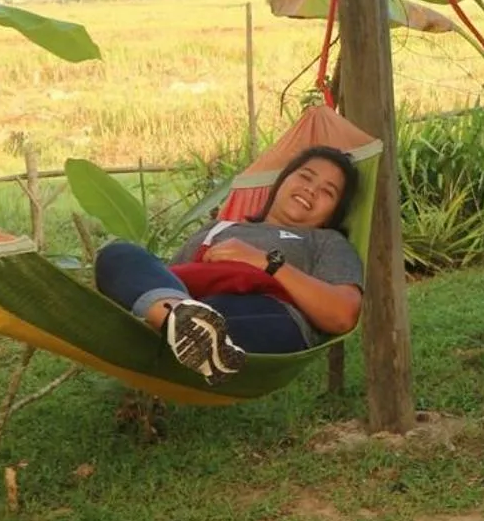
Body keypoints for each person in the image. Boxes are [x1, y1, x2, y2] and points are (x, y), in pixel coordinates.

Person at [95, 146, 365, 381]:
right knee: (118, 253)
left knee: (220, 326)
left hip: (267, 315)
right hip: (194, 303)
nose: (311, 189)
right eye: (306, 176)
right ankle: (181, 324)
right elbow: (167, 279)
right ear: (282, 181)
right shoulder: (219, 227)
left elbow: (342, 315)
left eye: (328, 192)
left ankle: (180, 331)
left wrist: (264, 262)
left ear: (334, 212)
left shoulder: (325, 241)